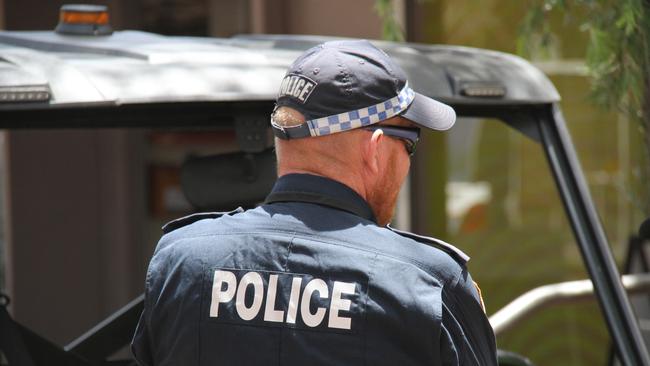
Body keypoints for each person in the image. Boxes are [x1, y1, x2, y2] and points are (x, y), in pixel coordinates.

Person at [131, 39, 497, 365]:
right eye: (409, 143)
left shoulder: (180, 261)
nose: (408, 162)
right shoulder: (427, 284)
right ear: (374, 149)